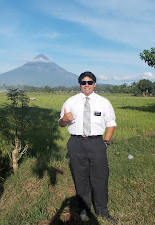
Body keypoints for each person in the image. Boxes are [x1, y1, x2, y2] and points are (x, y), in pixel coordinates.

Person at [59, 71, 117, 223]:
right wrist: (64, 119)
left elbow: (111, 123)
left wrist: (106, 142)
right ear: (80, 84)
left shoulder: (103, 102)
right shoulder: (70, 101)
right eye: (83, 82)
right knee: (81, 178)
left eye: (89, 82)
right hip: (76, 143)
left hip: (97, 142)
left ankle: (102, 210)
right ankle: (85, 209)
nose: (86, 85)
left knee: (100, 177)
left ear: (94, 84)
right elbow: (61, 123)